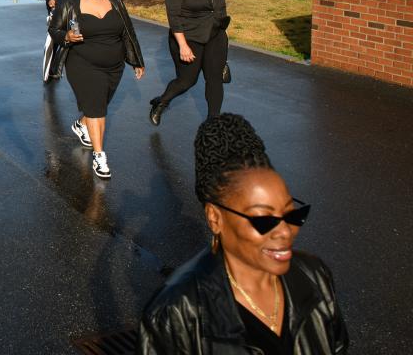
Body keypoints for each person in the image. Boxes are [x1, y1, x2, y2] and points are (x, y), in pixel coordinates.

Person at [137, 114, 348, 354]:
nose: (285, 231)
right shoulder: (176, 313)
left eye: (292, 214)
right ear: (215, 218)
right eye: (264, 219)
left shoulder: (314, 276)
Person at [48, 0, 144, 178]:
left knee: (99, 104)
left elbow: (128, 30)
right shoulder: (68, 2)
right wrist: (67, 37)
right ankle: (99, 157)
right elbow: (54, 29)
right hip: (83, 63)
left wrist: (136, 60)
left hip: (114, 65)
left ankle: (82, 124)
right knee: (97, 110)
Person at [150, 0, 230, 126]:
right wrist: (183, 46)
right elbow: (174, 18)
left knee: (214, 79)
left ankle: (213, 122)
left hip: (214, 35)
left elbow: (220, 6)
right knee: (187, 81)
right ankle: (161, 103)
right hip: (189, 37)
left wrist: (222, 36)